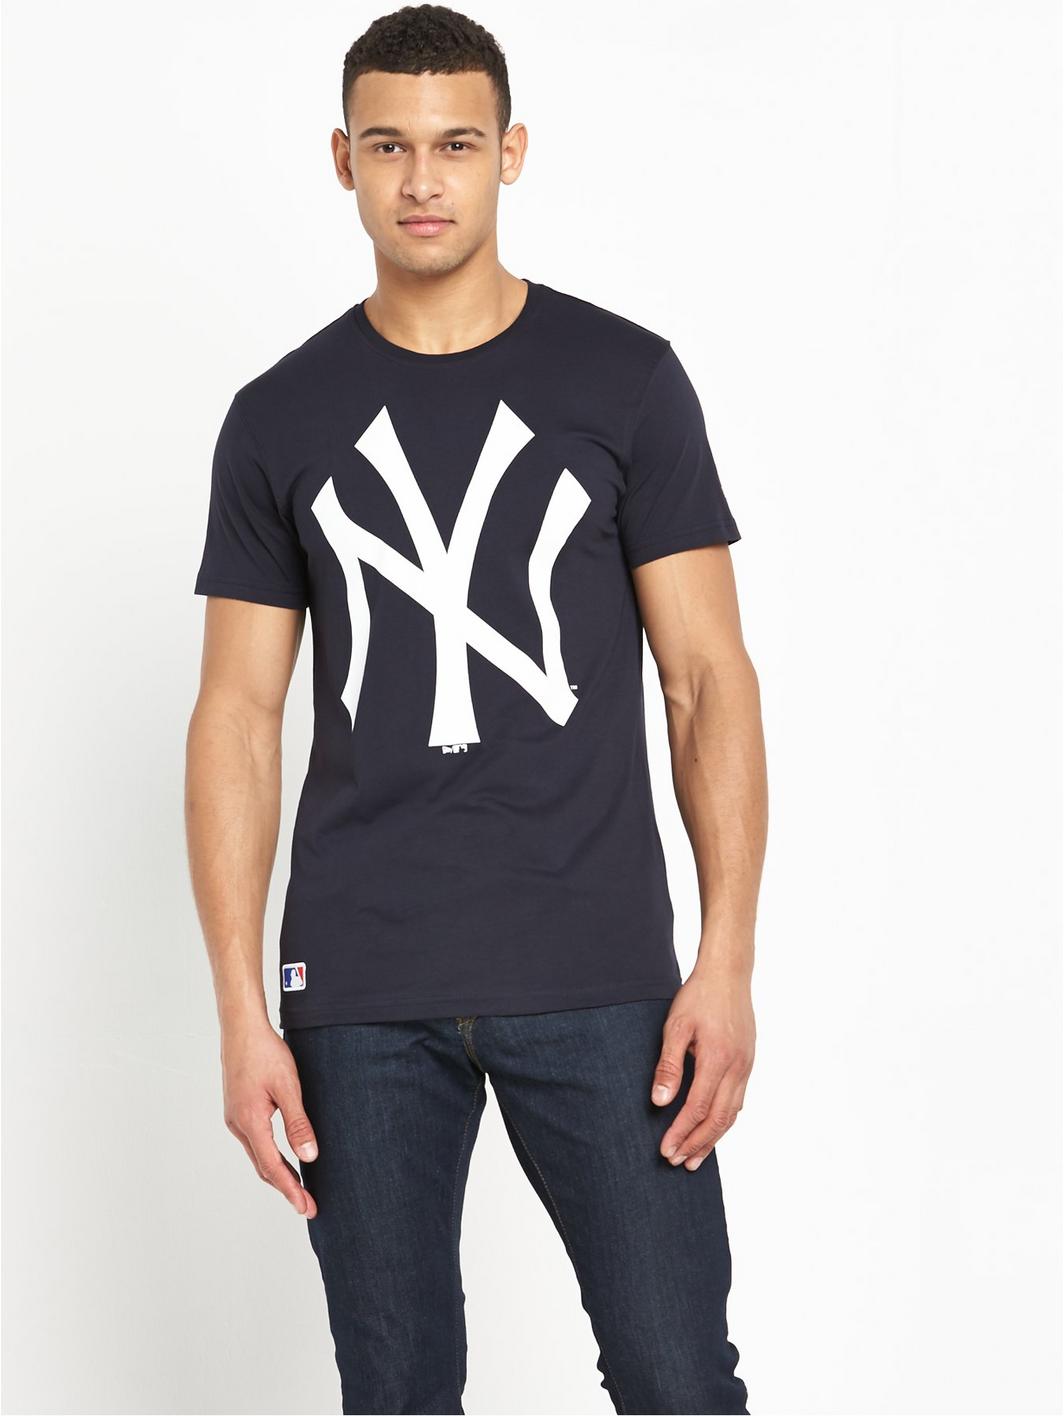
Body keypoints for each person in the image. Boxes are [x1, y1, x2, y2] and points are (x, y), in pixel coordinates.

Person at [185, 6, 768, 1413]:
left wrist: (727, 959)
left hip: (601, 974)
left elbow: (707, 679)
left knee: (678, 1378)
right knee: (396, 1393)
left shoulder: (626, 381)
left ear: (510, 153)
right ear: (344, 159)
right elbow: (238, 720)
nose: (423, 180)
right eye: (389, 146)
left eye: (455, 145)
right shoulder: (279, 417)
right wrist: (242, 1015)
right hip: (359, 992)